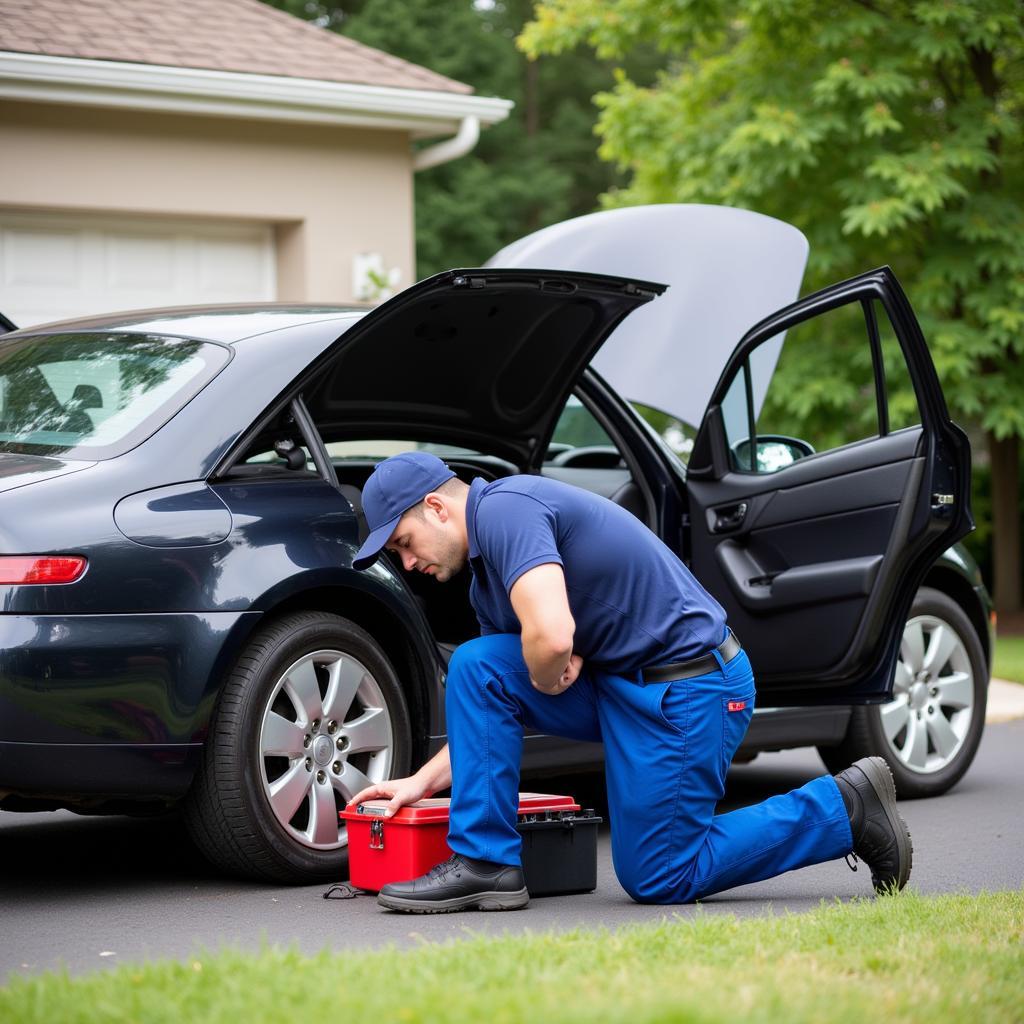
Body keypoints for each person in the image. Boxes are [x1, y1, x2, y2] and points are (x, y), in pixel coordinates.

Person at [348, 451, 912, 913]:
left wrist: (554, 658)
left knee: (660, 874)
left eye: (403, 543)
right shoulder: (484, 583)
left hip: (694, 688)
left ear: (436, 508)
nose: (407, 562)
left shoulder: (505, 510)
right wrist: (419, 783)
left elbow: (549, 638)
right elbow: (498, 700)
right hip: (626, 688)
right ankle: (486, 863)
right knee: (478, 666)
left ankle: (843, 808)